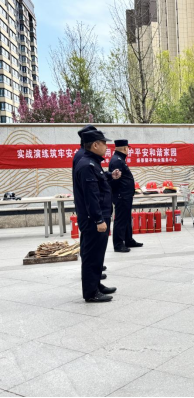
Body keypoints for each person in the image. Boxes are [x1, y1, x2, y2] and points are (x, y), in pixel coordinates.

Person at [74, 130, 119, 303]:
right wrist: (99, 219)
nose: (107, 147)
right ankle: (91, 293)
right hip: (93, 219)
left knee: (97, 254)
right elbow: (91, 196)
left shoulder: (92, 163)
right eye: (104, 143)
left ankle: (96, 285)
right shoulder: (87, 165)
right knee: (92, 255)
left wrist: (110, 175)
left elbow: (98, 181)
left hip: (99, 216)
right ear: (95, 145)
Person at [109, 140, 143, 253]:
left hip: (125, 195)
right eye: (127, 148)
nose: (128, 150)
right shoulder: (117, 161)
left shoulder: (119, 159)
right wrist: (119, 194)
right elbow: (114, 180)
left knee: (126, 218)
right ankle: (118, 244)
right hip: (121, 195)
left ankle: (128, 240)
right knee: (120, 219)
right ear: (124, 148)